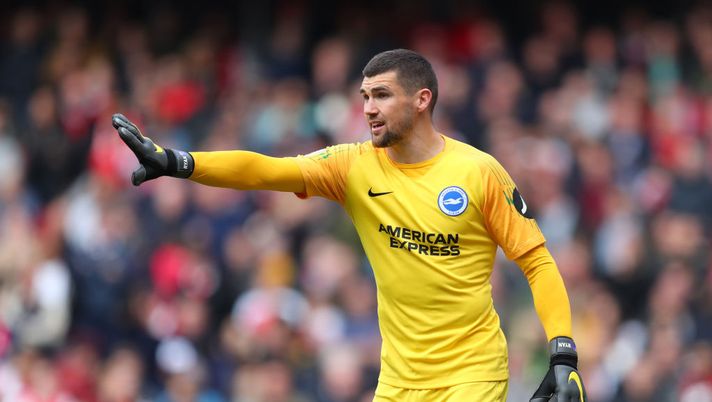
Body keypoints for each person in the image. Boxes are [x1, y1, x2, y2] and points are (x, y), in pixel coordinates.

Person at [112, 48, 586, 402]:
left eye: (382, 95)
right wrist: (179, 161)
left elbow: (537, 262)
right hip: (398, 380)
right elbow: (265, 169)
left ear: (423, 99)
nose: (368, 109)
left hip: (471, 374)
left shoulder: (479, 172)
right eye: (364, 97)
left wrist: (562, 353)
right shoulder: (352, 166)